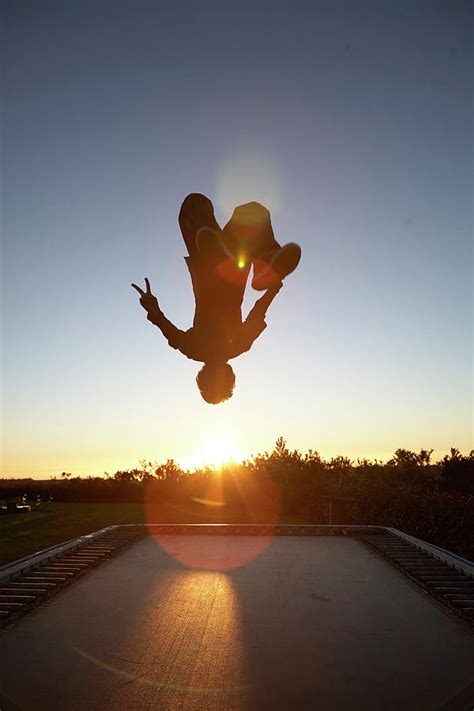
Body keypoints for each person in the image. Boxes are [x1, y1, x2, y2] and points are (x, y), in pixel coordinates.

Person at [132, 193, 301, 404]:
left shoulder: (236, 346)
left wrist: (273, 290)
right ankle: (258, 262)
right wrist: (152, 309)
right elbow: (169, 333)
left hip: (232, 271)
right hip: (211, 269)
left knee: (252, 213)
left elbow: (258, 313)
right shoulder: (197, 349)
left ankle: (257, 262)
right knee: (195, 206)